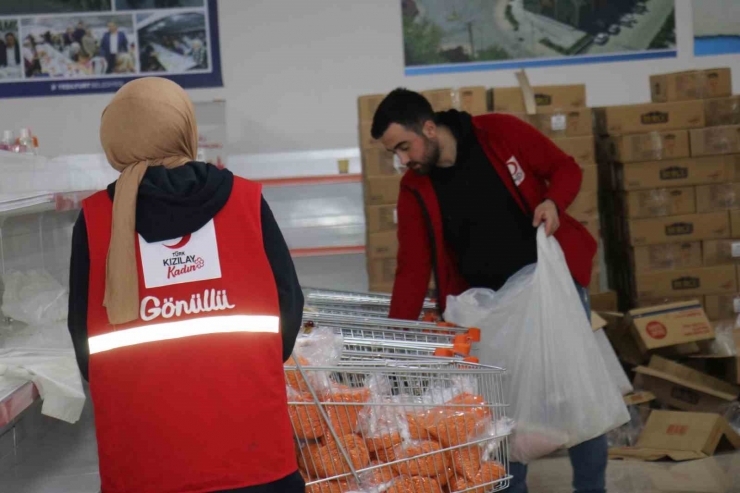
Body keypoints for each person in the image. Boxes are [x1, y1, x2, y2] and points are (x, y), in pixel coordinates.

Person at [67, 77, 305, 493]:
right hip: (253, 455)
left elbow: (84, 339)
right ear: (184, 127)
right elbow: (290, 307)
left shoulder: (95, 222)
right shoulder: (246, 202)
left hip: (145, 462)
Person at [370, 88, 602, 493]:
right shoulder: (415, 189)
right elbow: (412, 268)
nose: (403, 160)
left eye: (405, 147)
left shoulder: (499, 134)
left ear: (428, 127)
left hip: (547, 290)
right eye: (396, 153)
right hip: (487, 313)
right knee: (498, 414)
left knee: (576, 398)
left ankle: (591, 488)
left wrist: (552, 202)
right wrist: (397, 339)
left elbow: (566, 168)